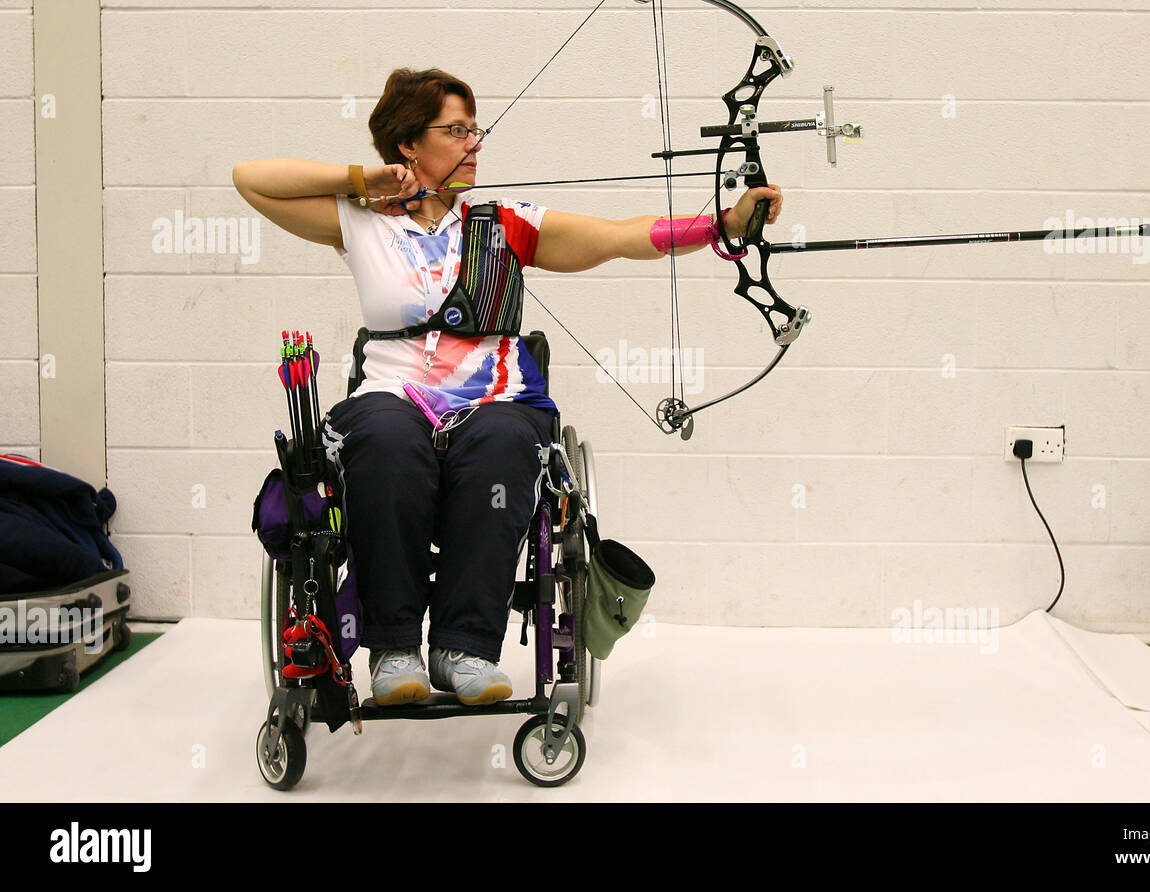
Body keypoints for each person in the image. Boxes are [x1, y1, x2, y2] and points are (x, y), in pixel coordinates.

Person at [233, 67, 782, 707]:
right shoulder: (362, 222)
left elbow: (620, 237)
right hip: (391, 398)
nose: (475, 143)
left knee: (502, 441)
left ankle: (464, 649)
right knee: (383, 440)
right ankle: (395, 651)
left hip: (495, 400)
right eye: (456, 131)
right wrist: (365, 181)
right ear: (408, 144)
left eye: (476, 129)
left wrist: (724, 224)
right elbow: (251, 179)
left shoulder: (503, 223)